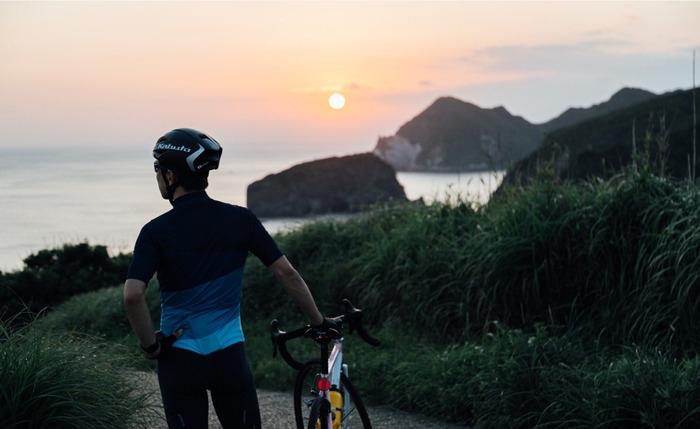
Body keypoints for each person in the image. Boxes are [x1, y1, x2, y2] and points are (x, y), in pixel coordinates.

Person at [123, 128, 338, 429]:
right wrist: (317, 321)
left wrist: (151, 347)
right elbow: (286, 273)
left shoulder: (154, 232)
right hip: (228, 356)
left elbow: (132, 295)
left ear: (171, 176)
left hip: (179, 358)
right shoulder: (241, 219)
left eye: (157, 170)